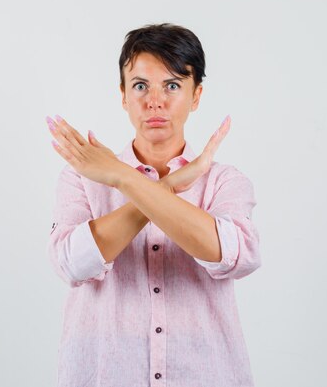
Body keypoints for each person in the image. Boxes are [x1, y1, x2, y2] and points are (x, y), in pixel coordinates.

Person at [45, 23, 262, 387]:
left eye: (173, 85)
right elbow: (71, 263)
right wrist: (167, 185)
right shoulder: (82, 178)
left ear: (196, 96)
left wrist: (125, 179)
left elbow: (232, 255)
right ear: (123, 95)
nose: (155, 101)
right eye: (141, 85)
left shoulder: (224, 181)